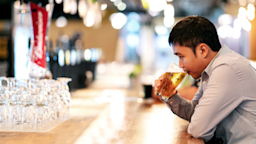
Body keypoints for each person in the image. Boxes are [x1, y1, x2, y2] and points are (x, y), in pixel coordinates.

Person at [155, 16, 256, 144]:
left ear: (203, 50)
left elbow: (198, 129)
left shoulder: (226, 67)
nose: (180, 65)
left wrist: (200, 125)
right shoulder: (211, 70)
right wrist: (171, 96)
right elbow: (196, 114)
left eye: (182, 57)